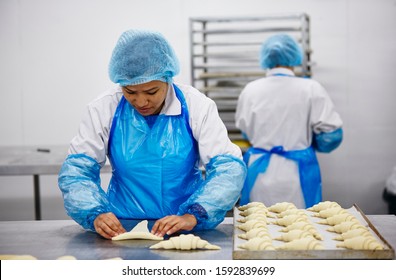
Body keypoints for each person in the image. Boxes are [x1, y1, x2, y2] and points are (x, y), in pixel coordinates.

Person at [58, 29, 246, 239]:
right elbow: (77, 172)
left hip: (185, 228)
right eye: (130, 92)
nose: (141, 102)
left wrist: (195, 214)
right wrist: (94, 212)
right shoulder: (103, 108)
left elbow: (228, 169)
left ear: (167, 79)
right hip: (122, 227)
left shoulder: (197, 106)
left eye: (151, 92)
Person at [235, 34, 343, 209]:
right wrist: (312, 141)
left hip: (260, 173)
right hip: (298, 175)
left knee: (258, 226)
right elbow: (331, 136)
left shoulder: (250, 90)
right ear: (295, 57)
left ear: (265, 58)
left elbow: (245, 131)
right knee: (301, 228)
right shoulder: (310, 88)